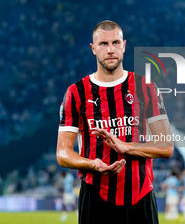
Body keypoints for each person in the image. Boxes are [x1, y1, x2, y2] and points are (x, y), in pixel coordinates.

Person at [56, 20, 173, 224]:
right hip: (95, 197)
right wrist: (93, 164)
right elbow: (63, 153)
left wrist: (125, 147)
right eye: (103, 44)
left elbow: (166, 147)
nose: (110, 50)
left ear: (124, 45)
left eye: (116, 43)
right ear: (93, 49)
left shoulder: (146, 87)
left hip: (141, 196)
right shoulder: (76, 93)